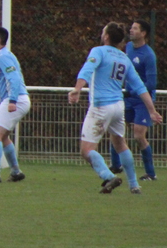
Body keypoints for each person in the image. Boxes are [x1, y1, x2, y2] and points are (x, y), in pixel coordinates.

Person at [68, 22, 162, 194]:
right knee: (120, 143)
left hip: (101, 106)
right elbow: (140, 86)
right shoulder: (124, 58)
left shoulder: (98, 51)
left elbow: (87, 69)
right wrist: (152, 110)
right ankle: (134, 185)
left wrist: (77, 89)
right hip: (118, 107)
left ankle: (109, 176)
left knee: (86, 150)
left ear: (106, 37)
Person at [109, 20, 158, 180]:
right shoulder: (129, 47)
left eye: (135, 28)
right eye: (131, 28)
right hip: (128, 98)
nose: (131, 30)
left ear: (143, 33)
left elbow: (151, 83)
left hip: (142, 100)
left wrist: (134, 90)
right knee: (116, 130)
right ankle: (116, 165)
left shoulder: (148, 55)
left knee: (138, 136)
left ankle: (150, 173)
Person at [0, 26, 29, 183]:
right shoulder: (2, 56)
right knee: (3, 136)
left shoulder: (2, 56)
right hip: (18, 99)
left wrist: (12, 100)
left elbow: (14, 78)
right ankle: (16, 171)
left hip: (16, 99)